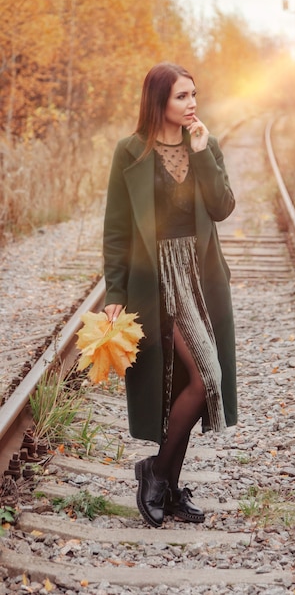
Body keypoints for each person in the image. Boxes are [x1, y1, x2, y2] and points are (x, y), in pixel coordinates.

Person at [103, 62, 237, 528]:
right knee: (203, 379)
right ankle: (163, 480)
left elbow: (222, 207)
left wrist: (202, 154)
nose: (192, 103)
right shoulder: (130, 152)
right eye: (182, 96)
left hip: (198, 279)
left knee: (198, 382)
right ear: (158, 100)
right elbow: (117, 229)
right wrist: (116, 290)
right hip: (155, 280)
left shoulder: (206, 143)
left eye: (194, 95)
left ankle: (160, 478)